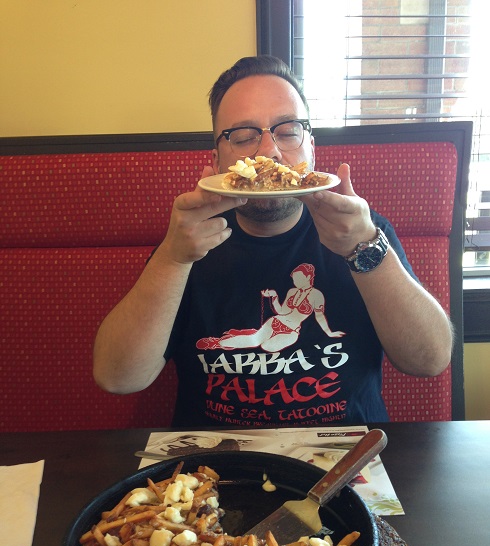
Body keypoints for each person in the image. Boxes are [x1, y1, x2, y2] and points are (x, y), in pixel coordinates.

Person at [93, 55, 453, 429]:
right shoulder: (189, 240)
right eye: (243, 136)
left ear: (311, 148)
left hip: (344, 452)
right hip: (218, 456)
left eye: (288, 131)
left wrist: (363, 248)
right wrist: (172, 258)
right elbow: (118, 378)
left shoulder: (361, 231)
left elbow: (428, 361)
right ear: (217, 162)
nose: (268, 152)